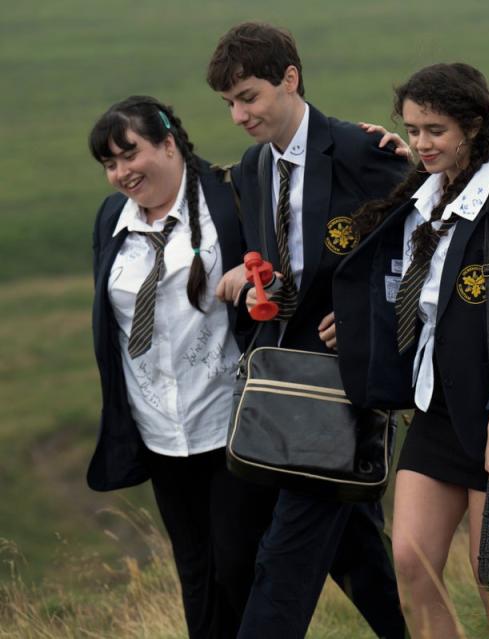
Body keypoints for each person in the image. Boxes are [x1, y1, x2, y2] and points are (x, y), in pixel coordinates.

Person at [334, 63, 489, 638]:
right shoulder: (419, 198)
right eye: (412, 129)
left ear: (474, 126)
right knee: (410, 561)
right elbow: (391, 286)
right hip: (434, 414)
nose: (422, 143)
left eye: (435, 130)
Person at [205, 23, 408, 638]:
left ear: (289, 80)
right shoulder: (252, 166)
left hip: (343, 384)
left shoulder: (363, 152)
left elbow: (421, 250)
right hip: (281, 382)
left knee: (285, 557)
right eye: (230, 104)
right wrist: (247, 272)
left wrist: (368, 316)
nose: (239, 115)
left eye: (249, 96)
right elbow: (275, 258)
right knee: (355, 550)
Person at [87, 96, 278, 638]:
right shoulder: (111, 221)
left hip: (230, 419)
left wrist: (380, 146)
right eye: (109, 163)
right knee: (195, 570)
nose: (122, 172)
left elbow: (292, 238)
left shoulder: (228, 196)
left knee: (238, 564)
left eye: (131, 154)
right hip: (160, 431)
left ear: (168, 143)